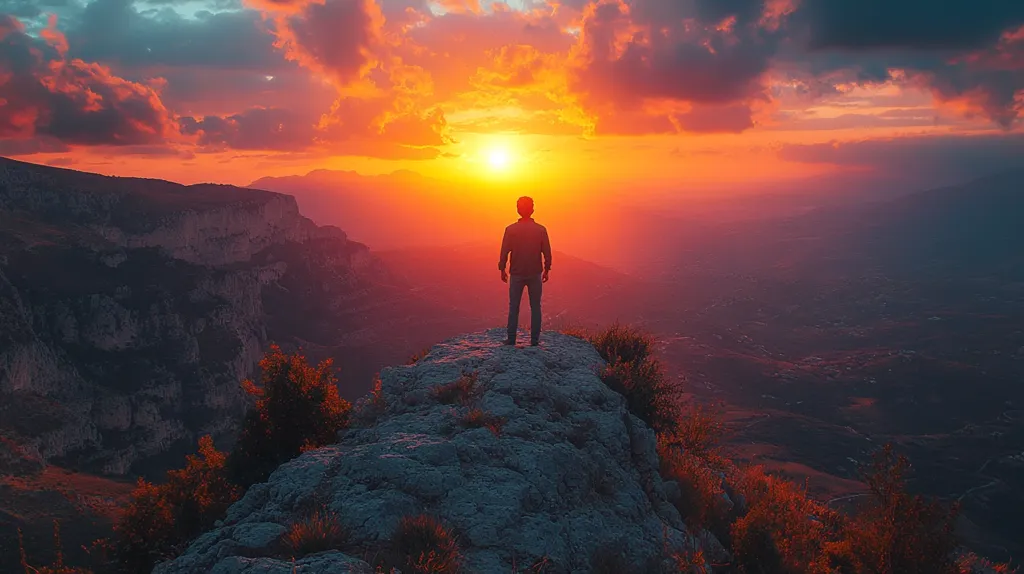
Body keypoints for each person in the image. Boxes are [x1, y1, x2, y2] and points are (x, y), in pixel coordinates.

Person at [499, 196, 552, 346]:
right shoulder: (540, 230)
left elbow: (504, 251)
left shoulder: (511, 230)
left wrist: (502, 268)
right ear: (532, 209)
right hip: (535, 273)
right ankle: (534, 340)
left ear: (518, 210)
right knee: (535, 306)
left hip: (516, 273)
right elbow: (547, 252)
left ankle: (511, 339)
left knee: (514, 306)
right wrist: (547, 269)